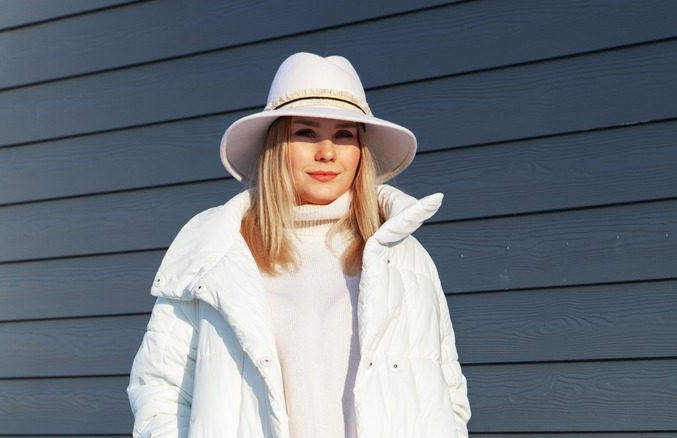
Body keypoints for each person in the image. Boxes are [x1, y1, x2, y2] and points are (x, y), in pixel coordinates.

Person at [127, 52, 470, 438]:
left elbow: (448, 396)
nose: (327, 152)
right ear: (276, 146)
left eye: (344, 135)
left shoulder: (405, 258)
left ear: (361, 152)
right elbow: (159, 391)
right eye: (306, 132)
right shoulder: (215, 256)